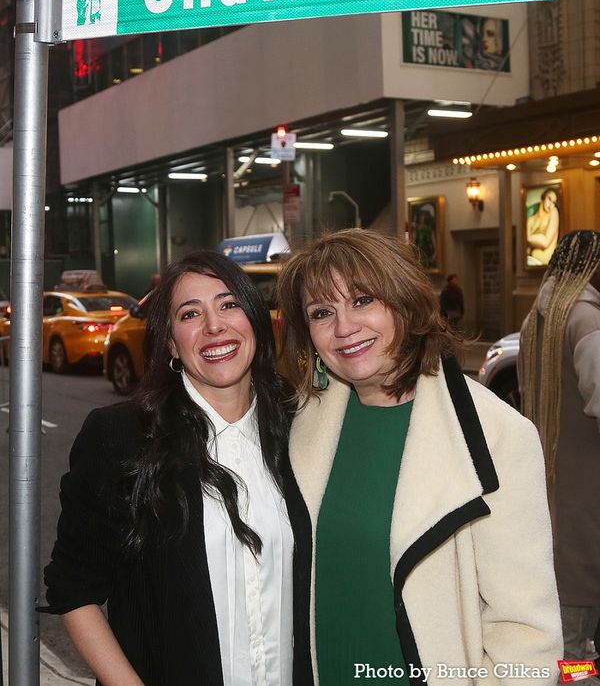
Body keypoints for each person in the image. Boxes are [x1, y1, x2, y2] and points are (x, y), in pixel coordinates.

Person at [277, 228, 562, 686]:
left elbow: (527, 633)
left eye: (363, 300)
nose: (344, 327)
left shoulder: (497, 436)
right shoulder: (300, 422)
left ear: (405, 305)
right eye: (322, 312)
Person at [43, 250, 313, 686]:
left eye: (229, 304)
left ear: (255, 320)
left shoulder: (300, 427)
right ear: (170, 342)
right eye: (190, 314)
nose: (214, 326)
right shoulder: (121, 437)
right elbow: (74, 591)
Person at [518, 229, 600, 668]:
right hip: (588, 487)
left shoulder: (538, 318)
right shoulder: (586, 319)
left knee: (565, 621)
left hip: (553, 480)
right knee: (578, 635)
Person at [527, 187, 560, 266]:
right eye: (549, 199)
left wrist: (528, 239)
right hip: (529, 262)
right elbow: (526, 248)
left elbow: (545, 242)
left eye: (554, 202)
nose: (551, 205)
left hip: (544, 265)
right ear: (543, 198)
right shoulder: (530, 220)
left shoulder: (553, 212)